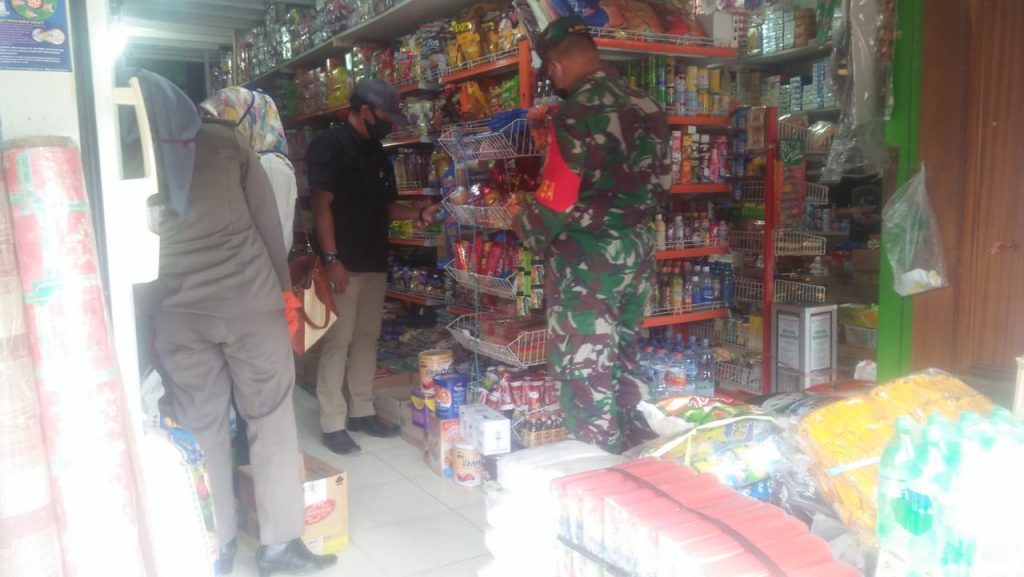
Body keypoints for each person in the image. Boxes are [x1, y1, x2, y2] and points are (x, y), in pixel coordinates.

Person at [136, 70, 336, 576]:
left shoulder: (131, 152)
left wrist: (148, 318)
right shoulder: (224, 141)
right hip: (249, 306)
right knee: (268, 418)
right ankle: (279, 547)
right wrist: (283, 295)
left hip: (177, 316)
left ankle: (216, 546)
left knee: (200, 425)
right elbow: (268, 226)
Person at [513, 16, 672, 455]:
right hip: (637, 253)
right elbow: (664, 183)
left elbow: (556, 200)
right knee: (623, 360)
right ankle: (636, 459)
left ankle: (596, 470)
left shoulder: (576, 112)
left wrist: (522, 223)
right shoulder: (648, 104)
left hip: (588, 266)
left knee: (585, 373)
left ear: (555, 66)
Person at [308, 79, 441, 455]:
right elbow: (321, 206)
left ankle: (362, 411)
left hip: (375, 260)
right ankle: (332, 422)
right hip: (343, 263)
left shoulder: (377, 153)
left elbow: (387, 207)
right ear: (364, 110)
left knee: (367, 338)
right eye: (386, 114)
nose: (390, 122)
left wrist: (418, 213)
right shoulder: (329, 145)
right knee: (338, 342)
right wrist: (332, 259)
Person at [201, 87, 298, 253]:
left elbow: (275, 239)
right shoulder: (247, 162)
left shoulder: (270, 166)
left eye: (223, 123)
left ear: (246, 121)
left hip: (260, 265)